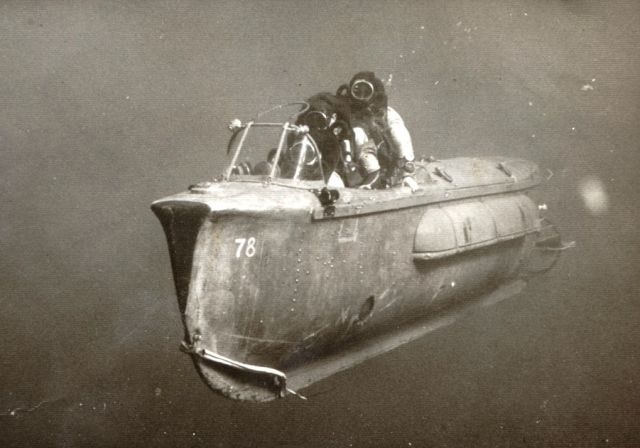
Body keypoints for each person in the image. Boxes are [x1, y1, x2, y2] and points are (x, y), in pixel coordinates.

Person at [337, 71, 418, 191]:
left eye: (366, 91)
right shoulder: (344, 113)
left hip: (386, 160)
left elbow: (402, 139)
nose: (362, 96)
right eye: (358, 91)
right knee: (357, 134)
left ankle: (405, 174)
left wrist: (407, 173)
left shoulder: (387, 113)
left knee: (398, 133)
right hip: (356, 164)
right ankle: (368, 175)